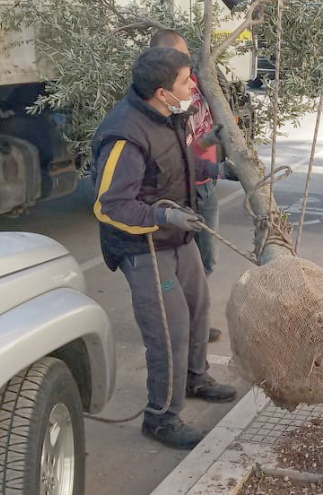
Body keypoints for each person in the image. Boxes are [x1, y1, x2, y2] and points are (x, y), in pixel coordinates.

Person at [92, 47, 237, 450]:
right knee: (168, 330)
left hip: (177, 238)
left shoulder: (165, 116)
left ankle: (195, 377)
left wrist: (217, 165)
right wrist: (165, 217)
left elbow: (177, 163)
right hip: (145, 248)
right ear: (161, 91)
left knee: (197, 308)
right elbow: (111, 206)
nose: (193, 86)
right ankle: (161, 417)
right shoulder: (125, 134)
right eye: (186, 81)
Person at [149, 29, 233, 343]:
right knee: (181, 264)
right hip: (181, 191)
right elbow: (179, 152)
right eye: (182, 54)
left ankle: (190, 321)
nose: (189, 59)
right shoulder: (163, 99)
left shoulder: (196, 82)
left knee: (206, 260)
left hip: (205, 183)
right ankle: (179, 324)